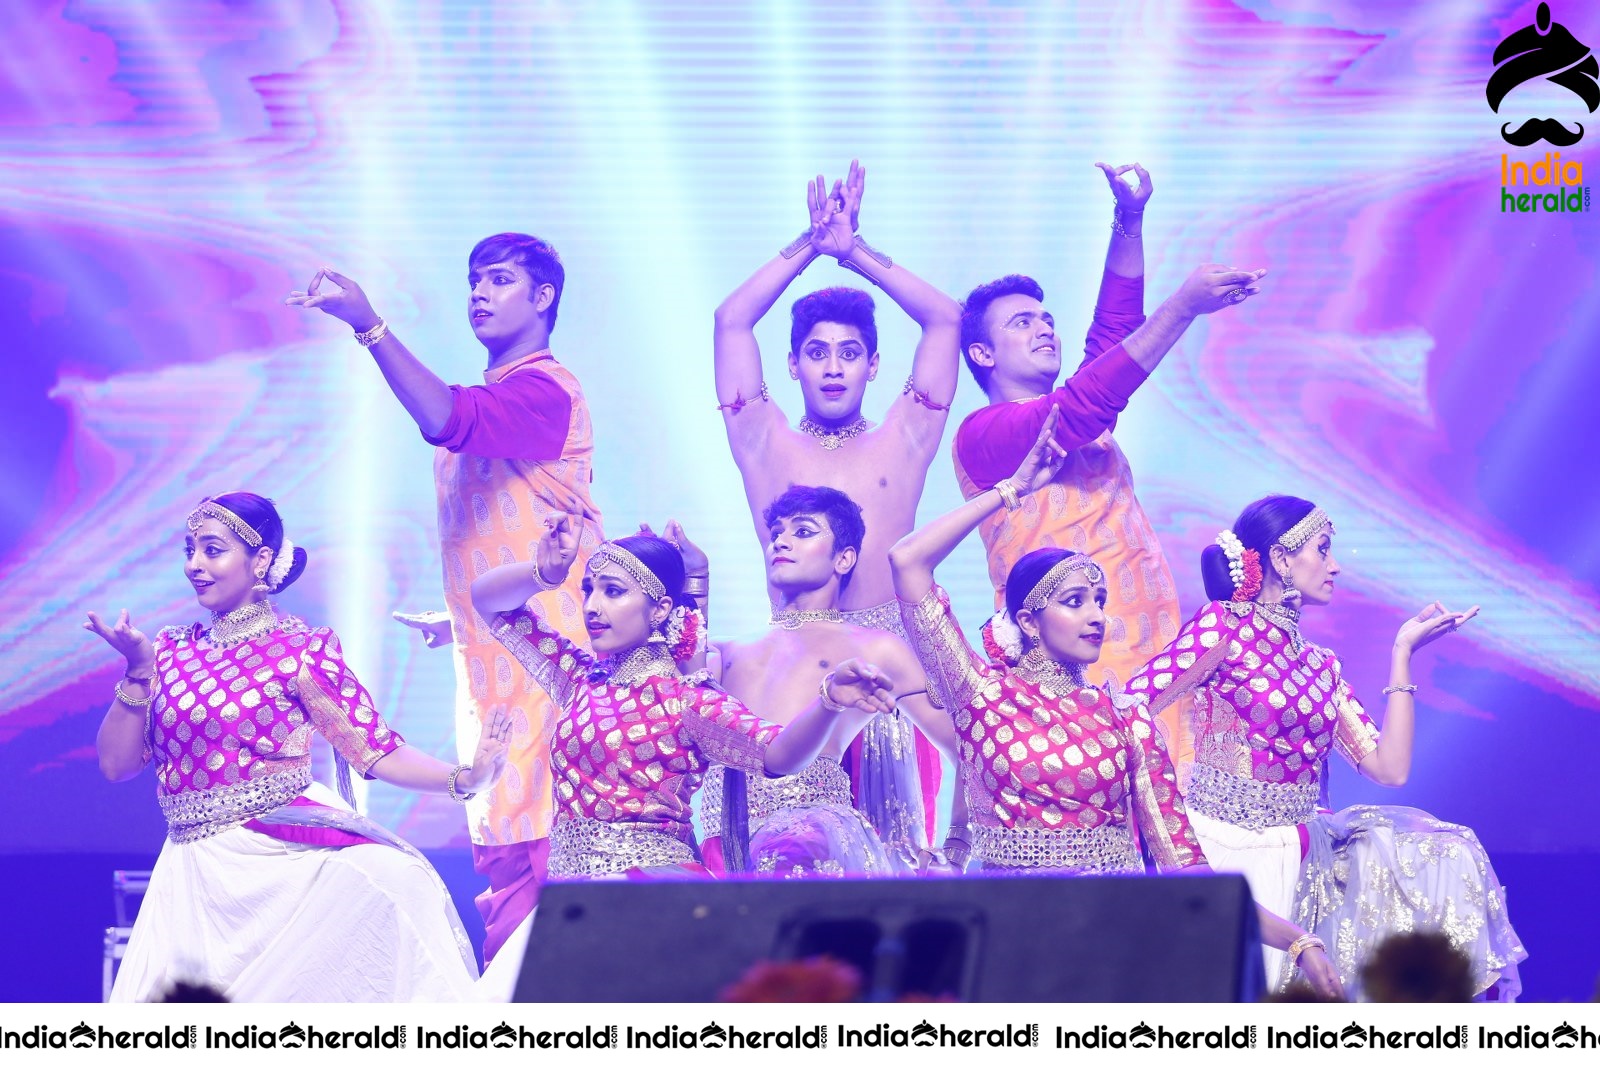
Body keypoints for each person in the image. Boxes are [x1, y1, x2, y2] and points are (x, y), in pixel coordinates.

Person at [890, 418, 1344, 998]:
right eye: (1074, 602)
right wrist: (1009, 492)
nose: (1096, 616)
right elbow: (907, 563)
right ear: (1028, 620)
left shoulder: (1126, 718)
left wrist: (1297, 941)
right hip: (1007, 933)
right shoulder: (979, 695)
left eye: (1100, 601)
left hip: (1105, 936)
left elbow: (1185, 863)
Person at [286, 233, 604, 965]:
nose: (479, 295)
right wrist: (456, 619)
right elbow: (498, 525)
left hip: (551, 658)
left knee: (549, 872)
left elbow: (446, 418)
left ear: (544, 296)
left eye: (499, 280)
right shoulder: (509, 396)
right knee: (508, 849)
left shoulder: (546, 390)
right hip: (493, 662)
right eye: (473, 281)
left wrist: (371, 326)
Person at [87, 492, 506, 1002]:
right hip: (194, 877)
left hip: (278, 859)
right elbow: (116, 765)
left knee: (399, 880)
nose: (194, 565)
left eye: (212, 550)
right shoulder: (171, 649)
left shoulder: (300, 650)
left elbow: (375, 749)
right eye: (189, 550)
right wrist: (137, 670)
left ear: (259, 559)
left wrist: (465, 779)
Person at [470, 516, 897, 997]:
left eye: (613, 592)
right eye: (588, 590)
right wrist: (543, 575)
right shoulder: (578, 678)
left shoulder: (689, 700)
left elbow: (779, 755)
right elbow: (487, 602)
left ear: (660, 610)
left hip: (650, 895)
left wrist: (828, 702)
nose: (592, 606)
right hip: (572, 898)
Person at [1125, 494, 1527, 999]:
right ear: (1281, 558)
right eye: (1323, 549)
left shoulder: (1322, 665)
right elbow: (1130, 706)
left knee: (1451, 852)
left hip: (1305, 852)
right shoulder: (1222, 627)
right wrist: (1162, 808)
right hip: (1229, 848)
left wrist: (1402, 654)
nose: (1335, 566)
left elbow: (1389, 768)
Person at [713, 160, 960, 855]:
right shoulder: (764, 442)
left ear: (875, 365)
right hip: (790, 674)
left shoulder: (904, 439)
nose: (831, 365)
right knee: (779, 860)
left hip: (890, 674)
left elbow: (945, 319)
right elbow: (731, 320)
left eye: (849, 353)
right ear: (790, 363)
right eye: (815, 352)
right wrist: (808, 244)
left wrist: (853, 251)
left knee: (896, 863)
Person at [952, 162, 1266, 696]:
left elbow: (1113, 340)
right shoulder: (982, 436)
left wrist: (1130, 219)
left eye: (1045, 317)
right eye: (1021, 322)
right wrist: (1183, 307)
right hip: (1064, 678)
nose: (1044, 325)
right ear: (982, 353)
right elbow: (1084, 404)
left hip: (1152, 657)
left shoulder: (1076, 415)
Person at [706, 485, 967, 877]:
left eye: (803, 531)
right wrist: (693, 580)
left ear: (843, 559)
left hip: (812, 841)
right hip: (721, 840)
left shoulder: (875, 648)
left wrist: (959, 842)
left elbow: (970, 745)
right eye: (776, 532)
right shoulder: (726, 651)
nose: (781, 541)